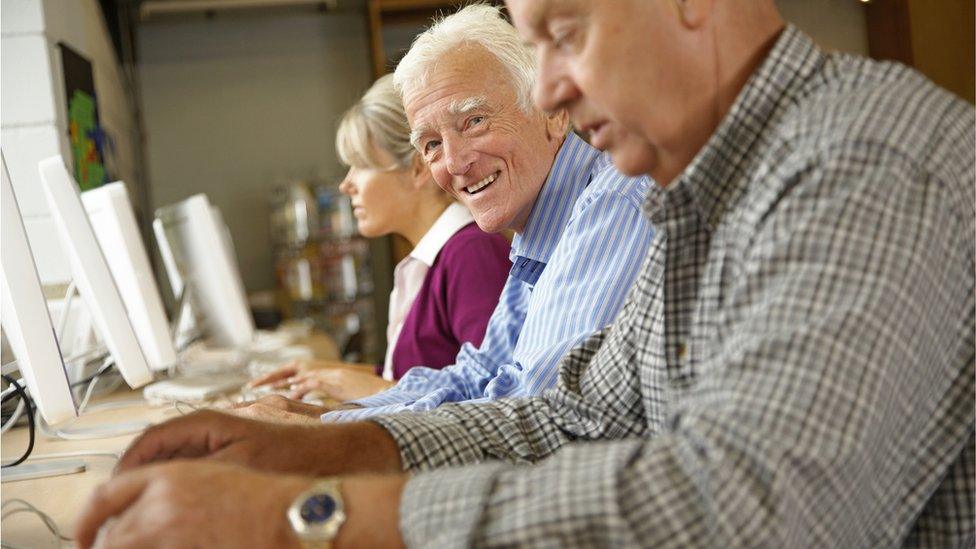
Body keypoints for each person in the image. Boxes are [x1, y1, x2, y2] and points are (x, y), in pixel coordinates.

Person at [76, 2, 975, 548]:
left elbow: (745, 515)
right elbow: (579, 413)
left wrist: (306, 518)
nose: (546, 92)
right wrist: (333, 448)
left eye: (564, 34)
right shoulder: (695, 194)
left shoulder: (862, 165)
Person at [235, 4, 652, 424]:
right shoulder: (535, 234)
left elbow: (532, 413)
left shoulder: (610, 204)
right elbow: (476, 376)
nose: (453, 163)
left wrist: (326, 428)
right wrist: (317, 416)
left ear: (554, 114)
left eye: (473, 121)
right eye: (432, 144)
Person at [247, 75, 511, 404]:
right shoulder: (437, 257)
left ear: (418, 169)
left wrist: (361, 385)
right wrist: (326, 373)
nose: (346, 185)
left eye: (360, 166)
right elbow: (420, 373)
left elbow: (494, 397)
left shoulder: (471, 254)